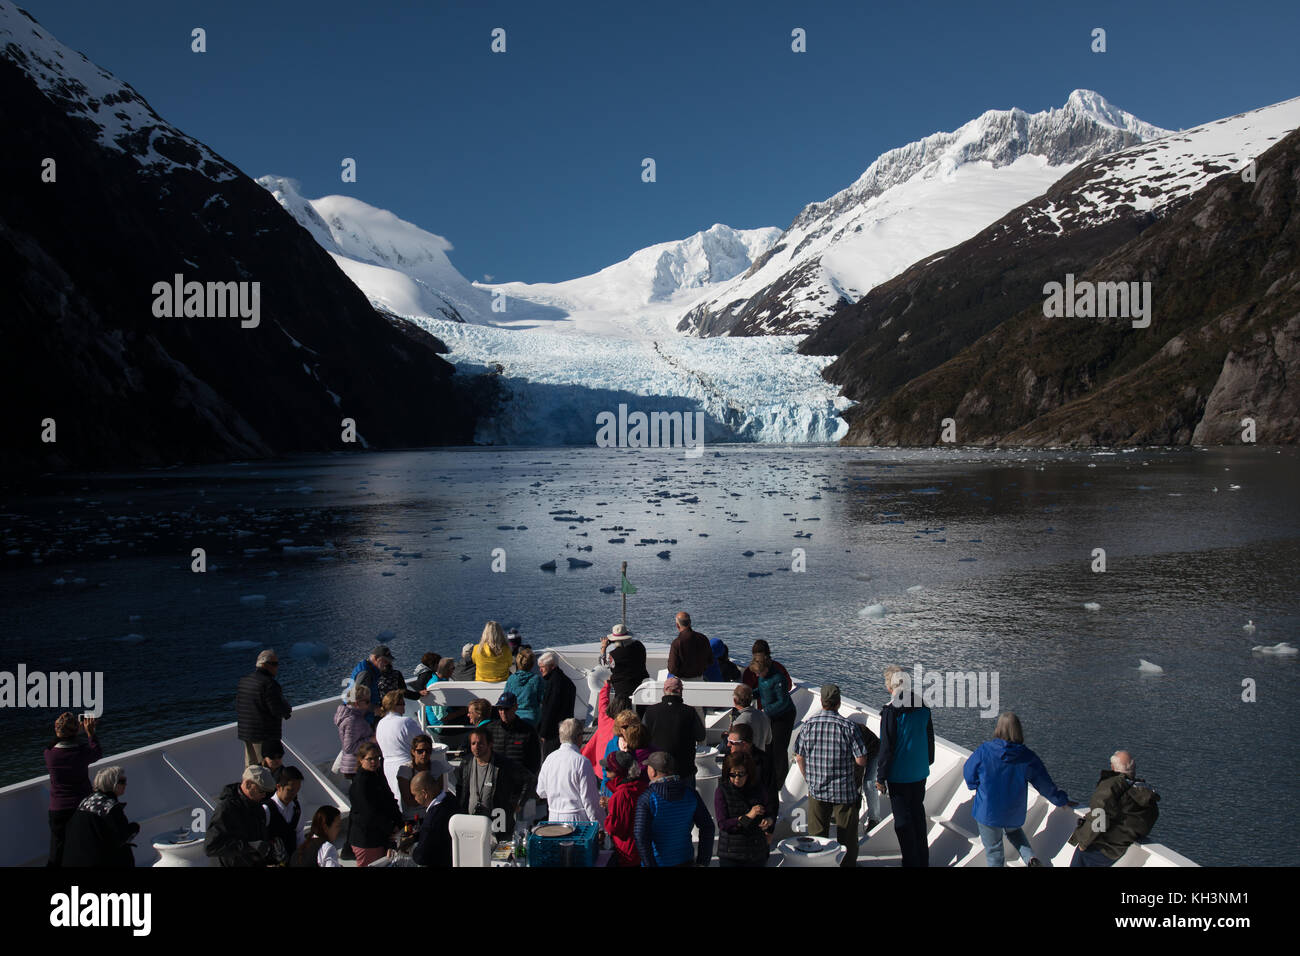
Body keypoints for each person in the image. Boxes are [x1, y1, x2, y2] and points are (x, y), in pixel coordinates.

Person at [963, 712, 1072, 867]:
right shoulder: (1028, 757)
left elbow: (968, 773)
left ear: (998, 728)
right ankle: (1031, 859)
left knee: (994, 851)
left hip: (988, 811)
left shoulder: (985, 751)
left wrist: (973, 785)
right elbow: (1045, 784)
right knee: (1014, 832)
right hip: (1012, 811)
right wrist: (1061, 800)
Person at [793, 684, 869, 867]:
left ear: (822, 702)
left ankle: (819, 863)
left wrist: (808, 778)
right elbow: (861, 760)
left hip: (817, 788)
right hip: (845, 791)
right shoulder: (849, 727)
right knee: (847, 838)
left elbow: (799, 757)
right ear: (839, 703)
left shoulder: (808, 726)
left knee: (817, 836)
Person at [877, 665, 934, 867]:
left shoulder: (891, 712)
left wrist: (880, 777)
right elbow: (929, 739)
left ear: (890, 687)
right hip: (919, 771)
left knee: (902, 822)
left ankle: (910, 862)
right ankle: (922, 860)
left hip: (899, 774)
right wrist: (928, 761)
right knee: (918, 816)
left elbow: (887, 747)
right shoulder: (923, 706)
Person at [1068, 751, 1160, 867]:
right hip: (1119, 847)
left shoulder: (1110, 785)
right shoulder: (1145, 793)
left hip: (1101, 846)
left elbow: (1099, 815)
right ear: (1133, 768)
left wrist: (1083, 843)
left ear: (1112, 767)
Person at [633, 752, 714, 867]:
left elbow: (640, 835)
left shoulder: (647, 798)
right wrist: (702, 862)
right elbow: (708, 827)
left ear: (653, 772)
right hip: (686, 860)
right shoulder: (690, 793)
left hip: (659, 862)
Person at [44, 711, 102, 867]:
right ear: (75, 732)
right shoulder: (80, 752)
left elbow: (57, 742)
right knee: (85, 848)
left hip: (57, 810)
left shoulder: (49, 754)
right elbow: (96, 752)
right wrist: (90, 733)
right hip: (80, 807)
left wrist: (76, 730)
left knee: (57, 851)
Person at [205, 765, 282, 867]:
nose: (264, 796)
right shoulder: (226, 809)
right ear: (248, 784)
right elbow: (211, 847)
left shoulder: (258, 808)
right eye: (261, 791)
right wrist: (250, 845)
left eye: (267, 793)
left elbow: (259, 842)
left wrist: (272, 852)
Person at [62, 766, 138, 868]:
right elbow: (121, 837)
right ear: (112, 784)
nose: (125, 784)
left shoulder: (87, 800)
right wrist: (135, 827)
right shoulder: (110, 807)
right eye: (122, 781)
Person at [453, 727, 520, 838]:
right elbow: (460, 789)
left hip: (497, 825)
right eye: (473, 743)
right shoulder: (466, 763)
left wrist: (517, 803)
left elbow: (528, 780)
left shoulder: (503, 764)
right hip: (472, 824)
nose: (476, 747)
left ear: (490, 744)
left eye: (480, 743)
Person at [745, 645, 796, 791]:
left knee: (779, 750)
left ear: (765, 669)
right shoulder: (763, 677)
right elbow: (762, 690)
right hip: (769, 716)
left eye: (758, 673)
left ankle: (780, 784)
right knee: (767, 748)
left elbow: (783, 701)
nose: (757, 676)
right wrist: (751, 694)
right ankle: (768, 780)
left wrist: (765, 711)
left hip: (783, 717)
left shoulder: (778, 678)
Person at [642, 676, 706, 786]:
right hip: (684, 770)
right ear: (680, 691)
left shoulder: (650, 711)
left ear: (664, 691)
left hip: (658, 771)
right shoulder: (690, 711)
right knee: (686, 802)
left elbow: (642, 737)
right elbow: (701, 736)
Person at [346, 742, 402, 866]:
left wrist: (399, 822)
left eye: (377, 757)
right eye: (370, 758)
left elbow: (390, 800)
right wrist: (391, 827)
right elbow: (369, 814)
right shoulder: (360, 784)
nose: (374, 761)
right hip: (367, 839)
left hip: (379, 835)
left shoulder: (377, 775)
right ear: (361, 760)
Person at [535, 718, 601, 823]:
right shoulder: (582, 762)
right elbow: (589, 800)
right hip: (577, 819)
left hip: (553, 817)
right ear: (579, 737)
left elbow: (541, 791)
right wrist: (600, 824)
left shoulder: (549, 759)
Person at [714, 752, 773, 867]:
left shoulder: (759, 789)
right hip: (732, 854)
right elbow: (723, 824)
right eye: (733, 774)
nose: (737, 779)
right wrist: (748, 816)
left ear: (748, 773)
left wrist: (768, 821)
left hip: (756, 852)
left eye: (741, 774)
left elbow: (770, 811)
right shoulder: (722, 791)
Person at [235, 649, 292, 770]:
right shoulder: (269, 684)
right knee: (266, 770)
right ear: (265, 665)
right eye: (275, 664)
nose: (277, 667)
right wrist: (287, 710)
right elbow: (277, 709)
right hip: (264, 735)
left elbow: (240, 705)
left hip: (246, 733)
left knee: (251, 769)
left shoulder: (244, 681)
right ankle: (266, 789)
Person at [488, 691, 541, 807]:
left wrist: (526, 786)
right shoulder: (490, 729)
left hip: (519, 787)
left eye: (506, 709)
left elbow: (535, 762)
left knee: (520, 823)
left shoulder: (528, 731)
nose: (503, 712)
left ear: (515, 707)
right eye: (500, 709)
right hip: (495, 786)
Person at [376, 690, 422, 803]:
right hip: (406, 765)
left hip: (387, 767)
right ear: (393, 705)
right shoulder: (406, 722)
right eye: (401, 703)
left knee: (397, 798)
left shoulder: (380, 724)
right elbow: (423, 740)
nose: (404, 705)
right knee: (410, 799)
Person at [603, 750, 648, 866]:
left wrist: (608, 816)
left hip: (627, 852)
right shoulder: (641, 786)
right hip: (642, 848)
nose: (605, 772)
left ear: (618, 773)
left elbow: (616, 828)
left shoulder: (621, 795)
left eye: (608, 769)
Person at [724, 724, 777, 820]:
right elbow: (723, 788)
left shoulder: (764, 761)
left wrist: (770, 823)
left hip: (758, 820)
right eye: (728, 741)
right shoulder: (728, 758)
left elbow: (771, 793)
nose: (728, 745)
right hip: (734, 820)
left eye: (732, 742)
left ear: (744, 744)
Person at [583, 688, 631, 795]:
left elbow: (602, 701)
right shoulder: (625, 728)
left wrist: (606, 686)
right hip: (615, 772)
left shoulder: (603, 718)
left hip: (599, 769)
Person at [410, 763, 456, 867]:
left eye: (415, 795)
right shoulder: (451, 799)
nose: (415, 799)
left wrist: (411, 850)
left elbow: (421, 857)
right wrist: (415, 837)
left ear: (424, 793)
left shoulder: (432, 819)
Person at [537, 651, 576, 757]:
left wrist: (543, 732)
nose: (540, 670)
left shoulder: (554, 683)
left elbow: (550, 709)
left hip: (553, 733)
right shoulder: (567, 681)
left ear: (552, 666)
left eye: (543, 667)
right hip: (565, 730)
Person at [334, 683, 374, 779]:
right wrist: (372, 739)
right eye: (367, 702)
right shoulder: (352, 721)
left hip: (357, 764)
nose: (370, 704)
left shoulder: (357, 717)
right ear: (356, 703)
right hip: (355, 767)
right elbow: (349, 748)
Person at [602, 624, 650, 700]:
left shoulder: (612, 655)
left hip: (622, 691)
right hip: (641, 686)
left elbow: (604, 665)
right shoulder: (639, 646)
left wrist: (604, 647)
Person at [266, 765, 304, 857]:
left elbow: (299, 835)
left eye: (297, 791)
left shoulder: (296, 808)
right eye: (290, 790)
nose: (294, 794)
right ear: (279, 787)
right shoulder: (267, 809)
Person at [396, 734, 438, 816]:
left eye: (428, 750)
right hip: (412, 816)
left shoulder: (437, 767)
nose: (424, 754)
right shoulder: (405, 770)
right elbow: (409, 801)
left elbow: (440, 794)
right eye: (420, 751)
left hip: (434, 813)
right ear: (413, 751)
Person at [728, 684, 772, 756]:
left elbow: (733, 744)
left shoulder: (739, 720)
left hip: (746, 759)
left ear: (735, 700)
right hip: (761, 758)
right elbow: (768, 740)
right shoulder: (763, 715)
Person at [504, 647, 545, 725]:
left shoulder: (511, 679)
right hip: (533, 718)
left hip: (515, 717)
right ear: (532, 664)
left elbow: (506, 698)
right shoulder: (537, 680)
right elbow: (543, 699)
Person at [667, 611, 712, 680]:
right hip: (699, 679)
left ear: (677, 625)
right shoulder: (703, 638)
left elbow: (672, 669)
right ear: (690, 622)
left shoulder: (677, 643)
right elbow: (710, 660)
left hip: (682, 682)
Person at [424, 657, 456, 728]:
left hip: (445, 716)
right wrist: (464, 711)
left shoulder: (441, 680)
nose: (454, 670)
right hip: (439, 725)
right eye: (453, 668)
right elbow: (442, 717)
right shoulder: (437, 686)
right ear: (446, 670)